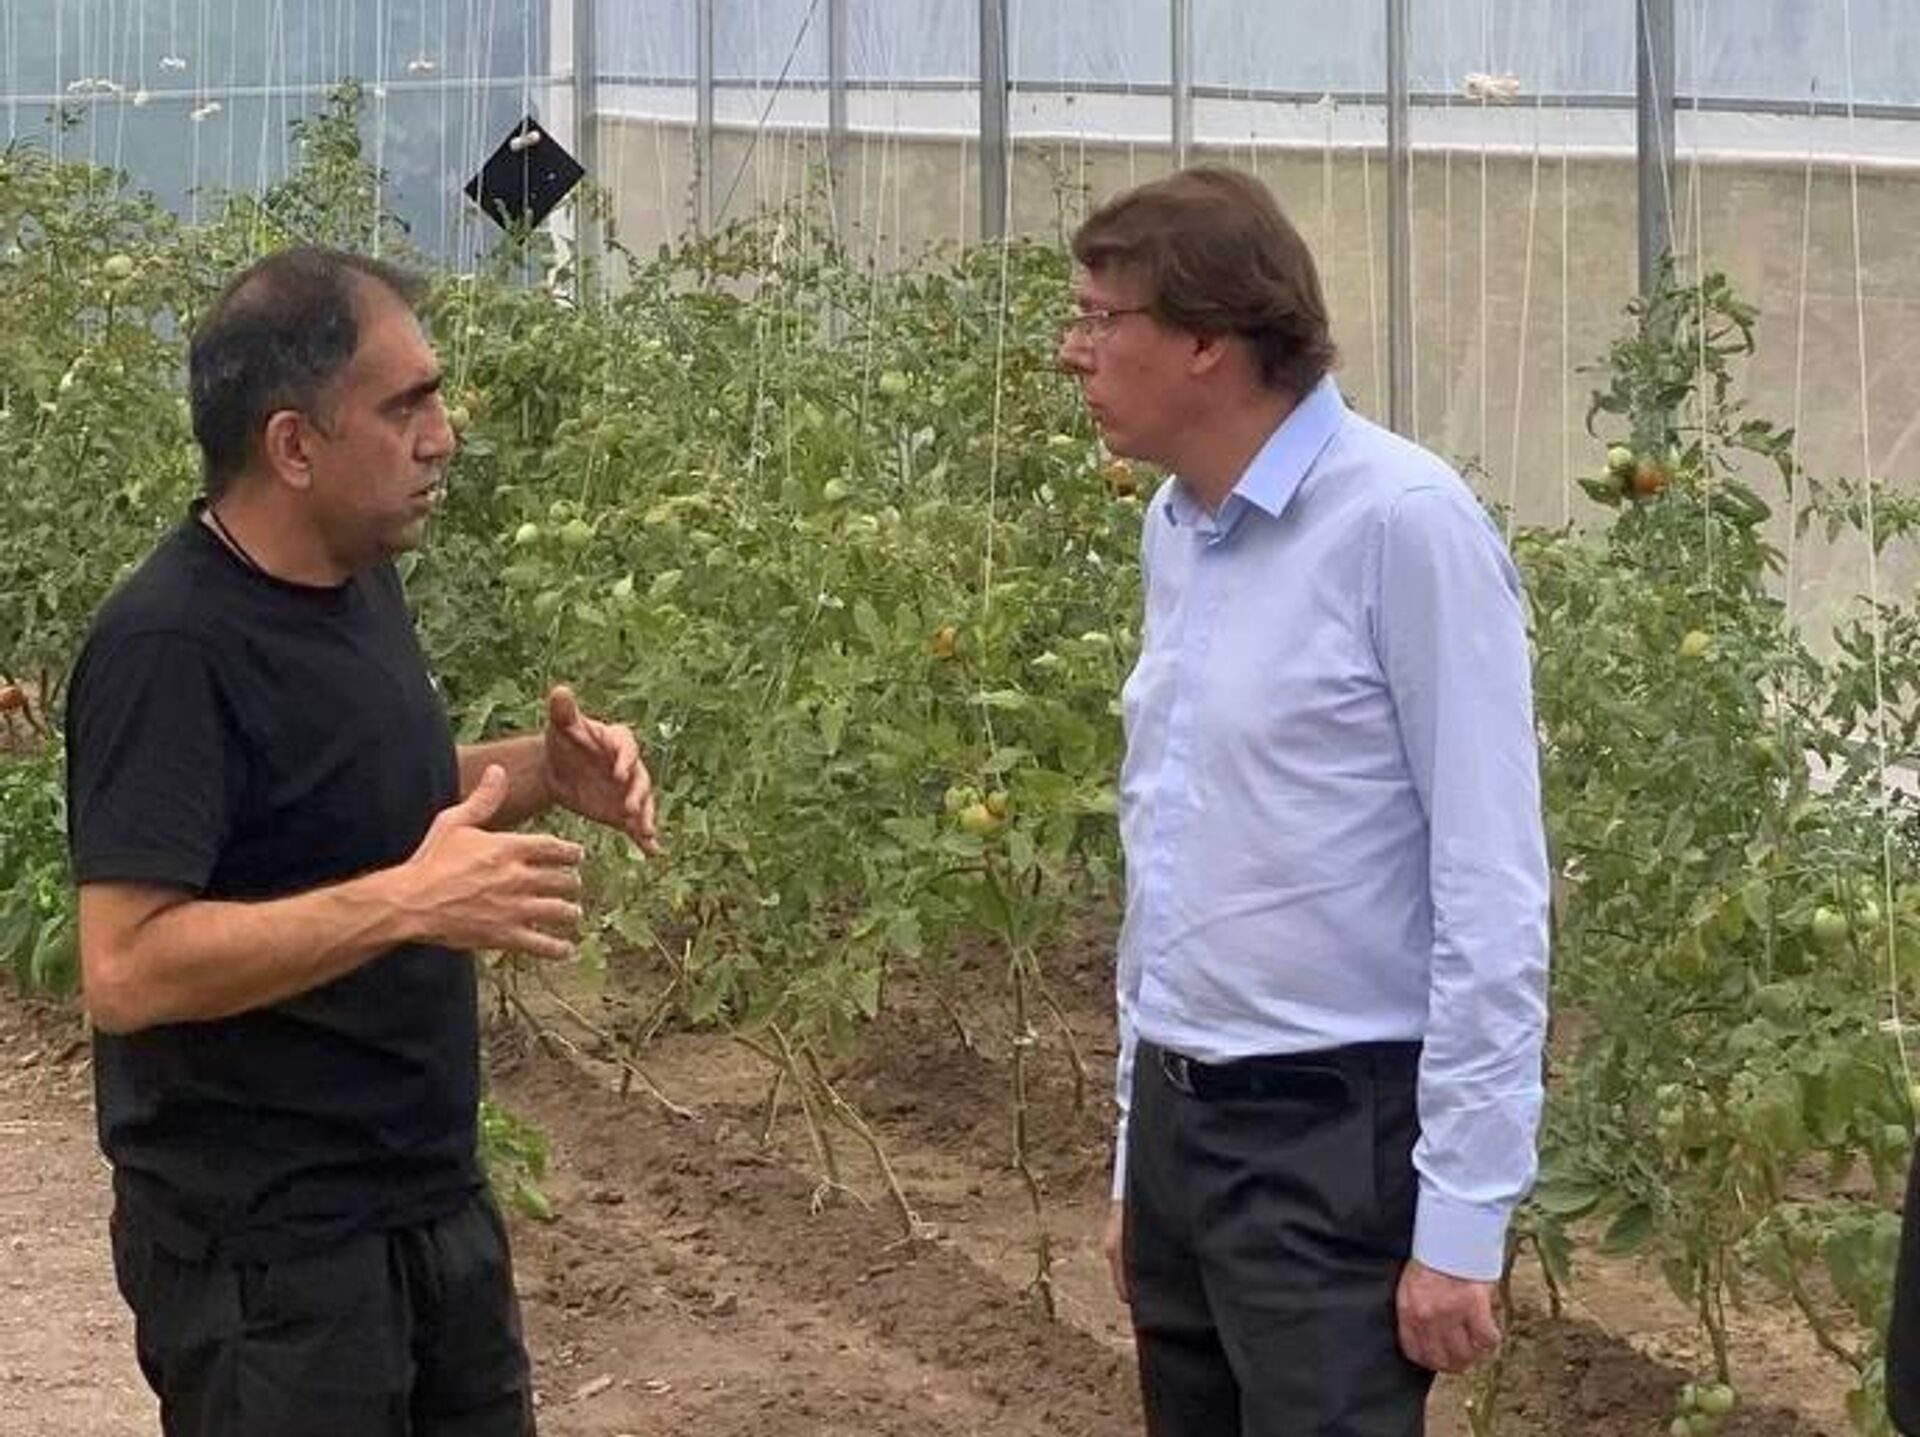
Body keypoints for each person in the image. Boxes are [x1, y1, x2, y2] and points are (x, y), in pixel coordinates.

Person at [64, 246, 660, 1437]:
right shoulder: (169, 649)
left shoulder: (356, 583)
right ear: (294, 446)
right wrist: (410, 904)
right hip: (270, 1258)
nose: (442, 437)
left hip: (426, 1208)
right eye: (405, 407)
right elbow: (125, 967)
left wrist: (541, 773)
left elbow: (344, 803)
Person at [1060, 167, 1550, 1435]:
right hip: (1183, 1126)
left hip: (1330, 1137)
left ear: (1210, 341)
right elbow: (1176, 858)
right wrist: (1137, 1161)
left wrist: (1462, 1221)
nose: (1073, 353)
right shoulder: (1179, 526)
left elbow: (1491, 883)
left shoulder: (1404, 526)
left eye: (1103, 320)